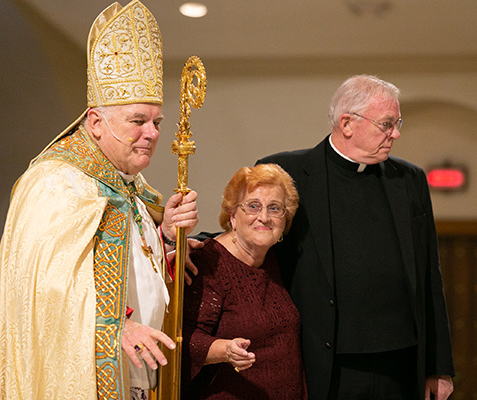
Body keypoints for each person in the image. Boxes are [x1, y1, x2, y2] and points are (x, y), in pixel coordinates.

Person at [0, 1, 199, 399]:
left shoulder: (129, 185)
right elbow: (42, 294)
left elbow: (132, 268)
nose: (151, 133)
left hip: (141, 379)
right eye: (137, 121)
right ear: (96, 123)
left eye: (156, 123)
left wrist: (165, 237)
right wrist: (114, 326)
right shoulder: (57, 184)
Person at [257, 75, 455, 400]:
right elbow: (249, 234)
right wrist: (202, 243)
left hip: (400, 365)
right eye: (387, 124)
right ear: (347, 123)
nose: (396, 133)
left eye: (397, 123)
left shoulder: (409, 180)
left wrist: (438, 366)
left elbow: (429, 277)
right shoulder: (285, 173)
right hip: (326, 365)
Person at [181, 164, 308, 400]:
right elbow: (183, 339)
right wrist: (225, 350)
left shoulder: (274, 258)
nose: (264, 217)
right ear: (232, 216)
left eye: (274, 208)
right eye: (253, 206)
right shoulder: (210, 263)